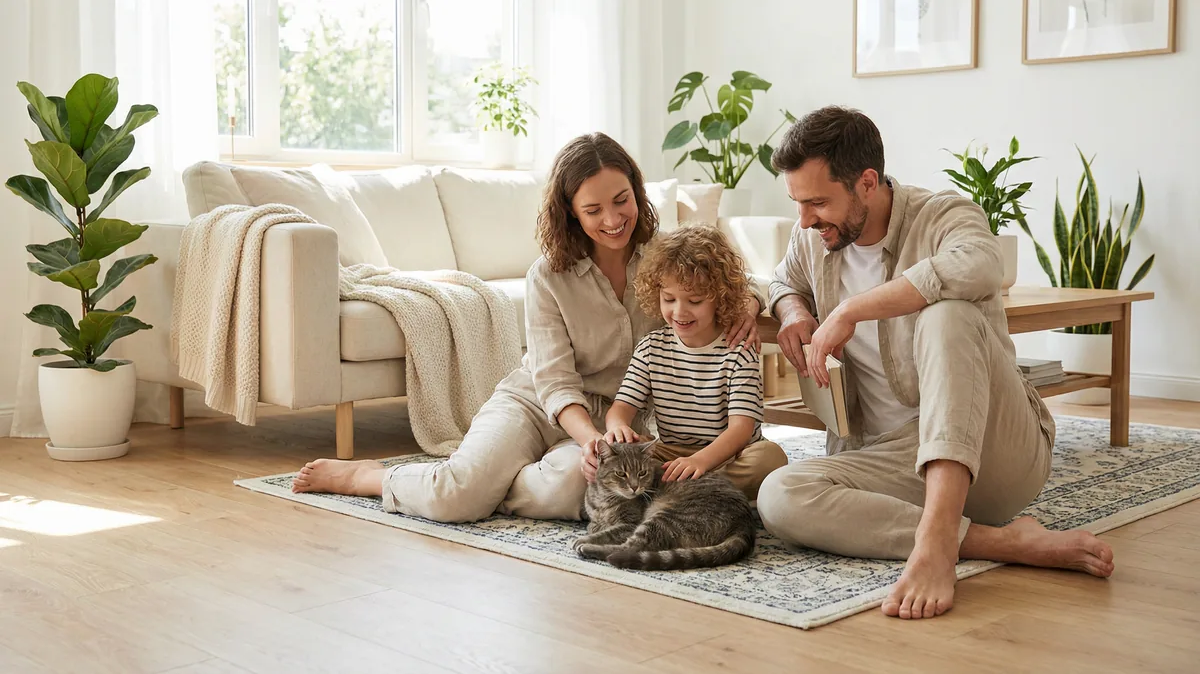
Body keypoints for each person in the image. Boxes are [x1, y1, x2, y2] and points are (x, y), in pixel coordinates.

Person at [291, 132, 766, 522]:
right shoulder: (548, 274)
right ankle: (371, 478)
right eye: (593, 210)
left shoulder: (666, 257)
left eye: (622, 201)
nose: (613, 219)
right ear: (572, 213)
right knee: (455, 499)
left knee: (570, 494)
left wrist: (749, 300)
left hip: (615, 418)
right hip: (535, 402)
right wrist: (589, 441)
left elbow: (728, 281)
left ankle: (485, 486)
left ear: (636, 193)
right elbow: (555, 381)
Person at [755, 106, 1115, 620]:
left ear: (867, 182)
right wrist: (791, 309)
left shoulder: (944, 214)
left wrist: (851, 309)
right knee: (780, 495)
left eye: (817, 202)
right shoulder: (811, 236)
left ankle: (938, 540)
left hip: (995, 453)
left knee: (946, 313)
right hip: (894, 458)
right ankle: (1004, 543)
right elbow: (783, 280)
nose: (805, 219)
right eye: (797, 203)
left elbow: (979, 264)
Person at [604, 226, 789, 502]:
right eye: (669, 299)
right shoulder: (651, 347)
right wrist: (618, 427)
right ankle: (693, 492)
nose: (679, 311)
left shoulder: (739, 349)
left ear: (721, 298)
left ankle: (679, 492)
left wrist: (701, 462)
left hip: (730, 455)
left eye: (695, 300)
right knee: (627, 466)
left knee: (770, 460)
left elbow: (741, 429)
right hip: (671, 454)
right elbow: (620, 410)